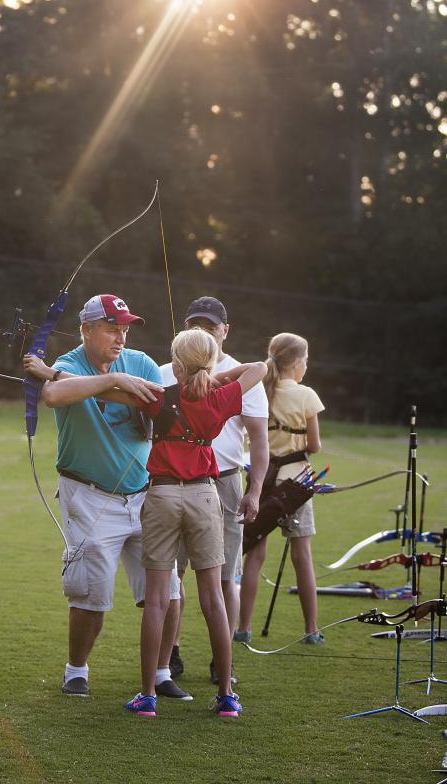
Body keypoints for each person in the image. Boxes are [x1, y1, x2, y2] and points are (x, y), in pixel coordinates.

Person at [23, 294, 185, 700]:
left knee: (169, 593)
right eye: (112, 328)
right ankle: (76, 670)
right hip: (89, 496)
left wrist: (123, 385)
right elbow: (55, 395)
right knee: (91, 592)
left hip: (146, 495)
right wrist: (113, 381)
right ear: (87, 329)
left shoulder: (142, 362)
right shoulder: (67, 367)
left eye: (125, 329)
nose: (121, 337)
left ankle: (162, 673)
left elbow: (162, 406)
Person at [121, 328, 267, 717]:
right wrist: (217, 376)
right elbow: (259, 367)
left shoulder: (160, 396)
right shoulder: (221, 399)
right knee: (213, 599)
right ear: (214, 360)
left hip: (163, 494)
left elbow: (111, 392)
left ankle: (148, 696)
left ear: (177, 365)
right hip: (205, 495)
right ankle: (225, 697)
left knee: (156, 600)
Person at [160, 296, 269, 682]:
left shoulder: (239, 379)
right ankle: (168, 657)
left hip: (223, 482)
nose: (203, 332)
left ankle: (221, 665)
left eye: (210, 326)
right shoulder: (166, 372)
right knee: (173, 577)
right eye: (195, 325)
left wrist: (254, 491)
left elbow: (258, 440)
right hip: (172, 483)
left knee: (225, 578)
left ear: (225, 330)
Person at [236, 331, 325, 643]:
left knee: (254, 553)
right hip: (296, 485)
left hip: (262, 482)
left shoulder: (260, 390)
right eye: (306, 360)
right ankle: (311, 629)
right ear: (298, 362)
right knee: (302, 556)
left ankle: (243, 627)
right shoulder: (306, 395)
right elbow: (314, 445)